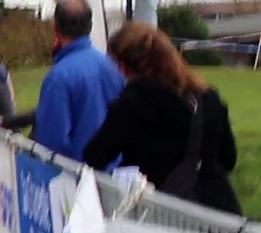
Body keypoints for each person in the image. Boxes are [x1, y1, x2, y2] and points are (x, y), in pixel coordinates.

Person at [84, 22, 241, 215]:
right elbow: (229, 158)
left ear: (123, 67)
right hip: (221, 213)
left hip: (168, 214)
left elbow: (95, 155)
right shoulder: (208, 98)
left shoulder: (134, 102)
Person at [33, 0, 124, 161]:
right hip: (114, 175)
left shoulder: (58, 77)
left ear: (56, 27)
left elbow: (51, 141)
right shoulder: (113, 66)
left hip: (76, 177)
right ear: (90, 25)